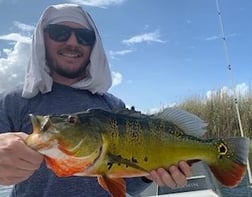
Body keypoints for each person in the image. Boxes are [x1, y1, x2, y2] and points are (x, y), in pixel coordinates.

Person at [0, 3, 192, 197]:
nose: (73, 42)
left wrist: (150, 175)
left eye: (84, 37)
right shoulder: (13, 101)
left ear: (93, 45)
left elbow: (127, 186)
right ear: (42, 39)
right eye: (59, 32)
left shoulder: (113, 106)